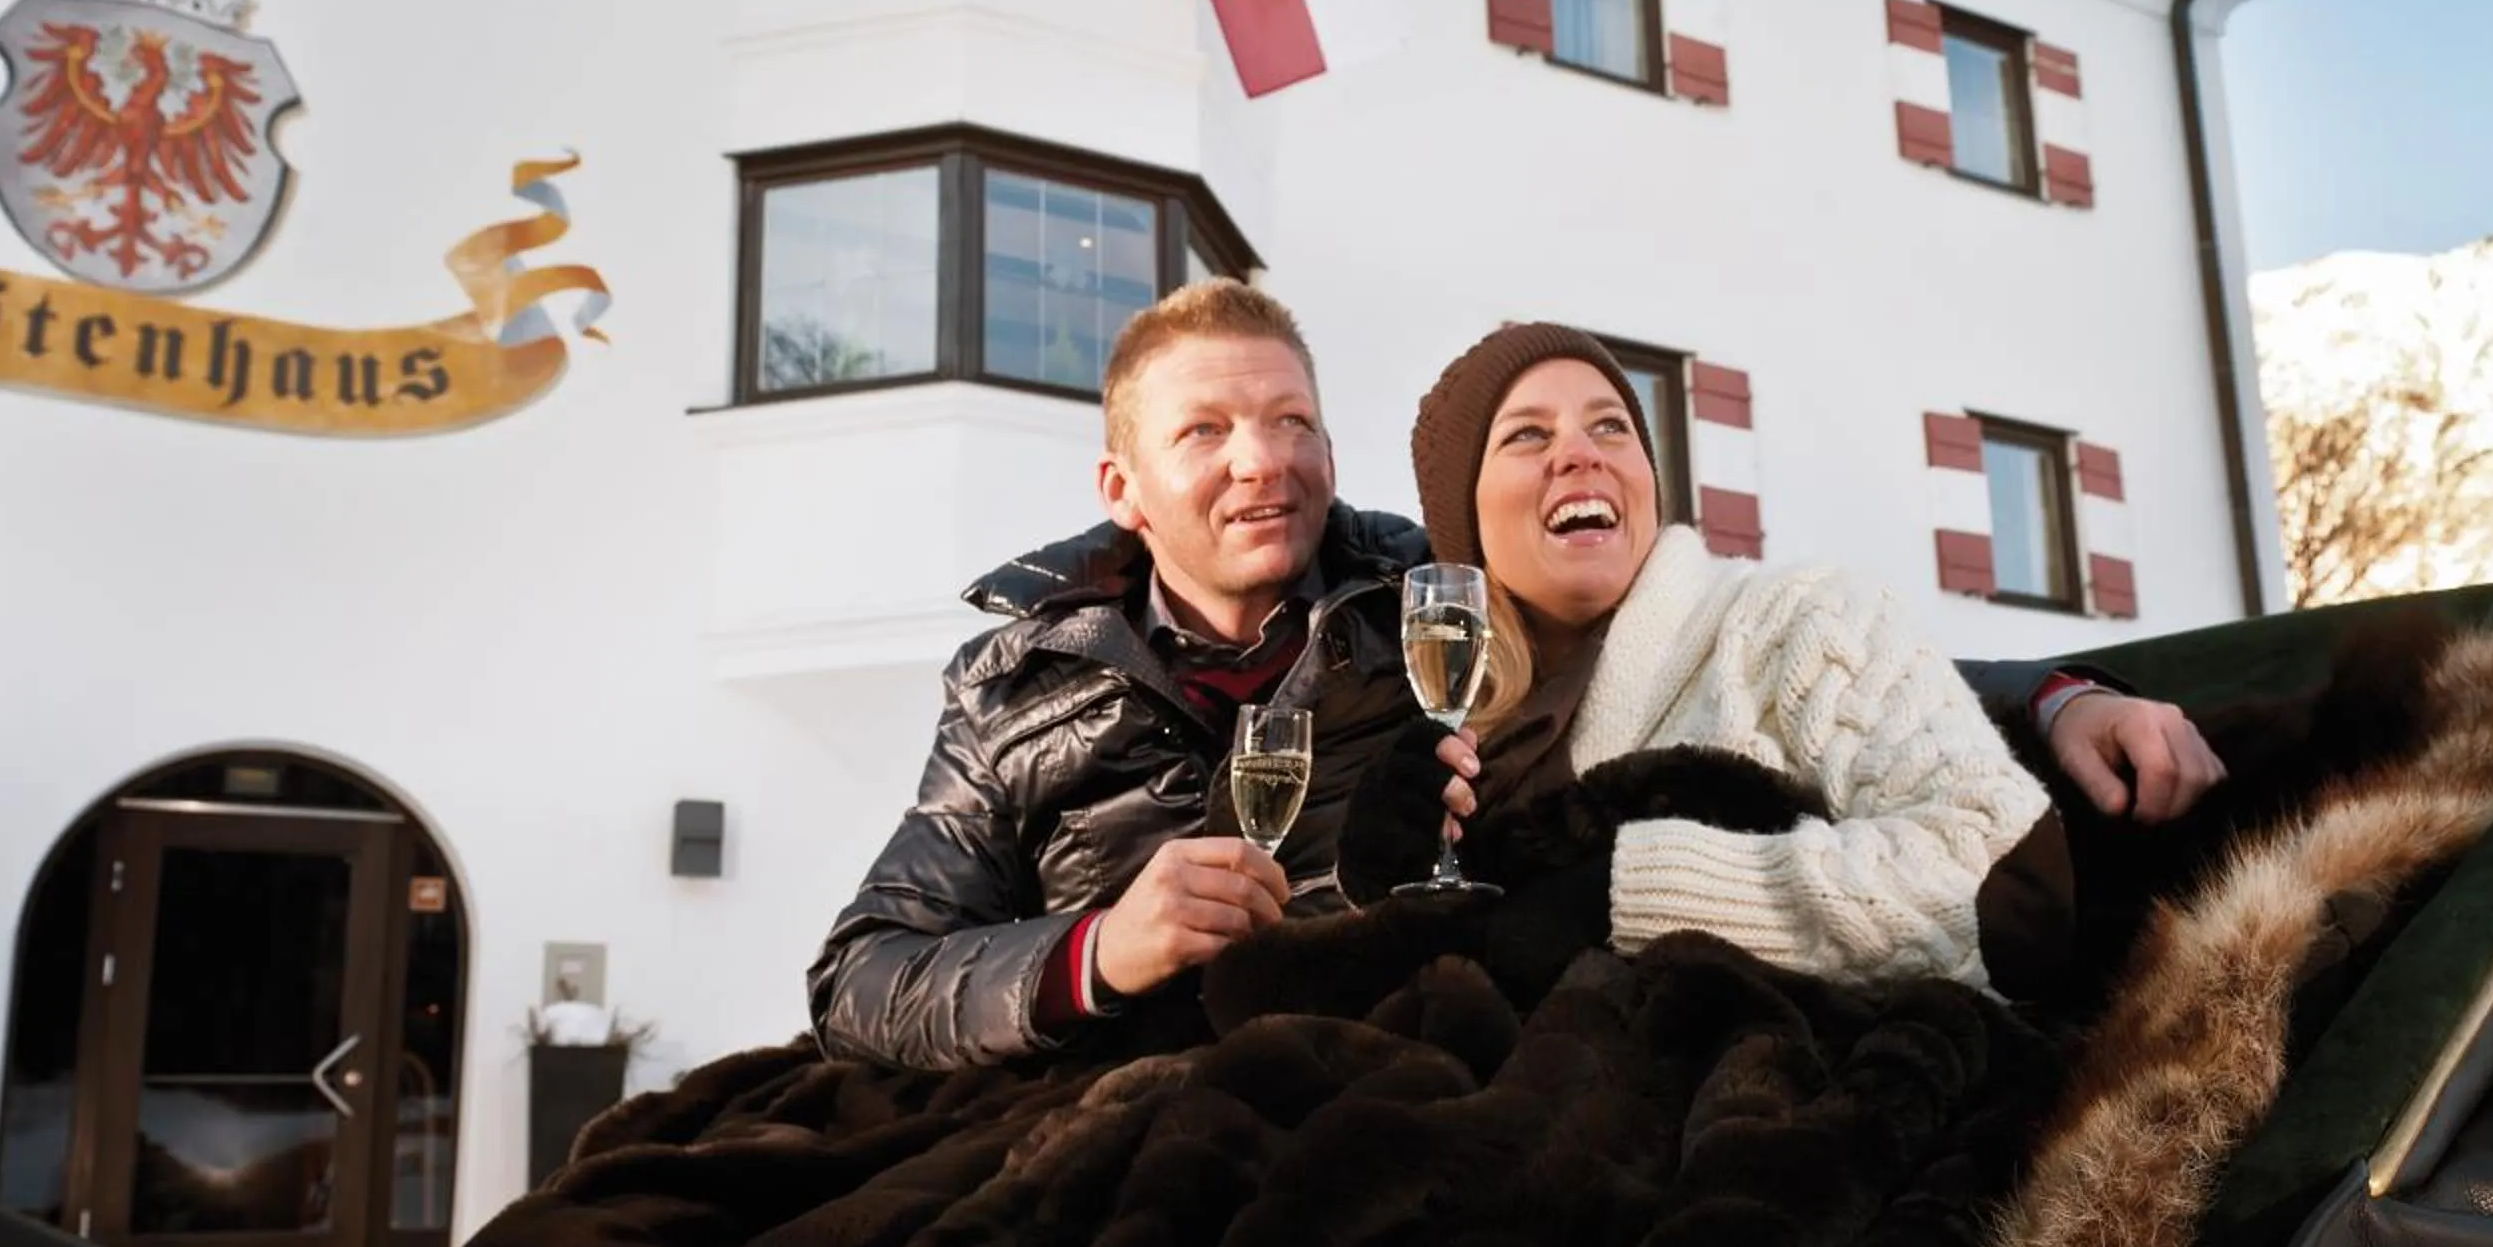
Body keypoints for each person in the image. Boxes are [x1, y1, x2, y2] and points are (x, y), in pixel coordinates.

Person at [807, 279, 2222, 1068]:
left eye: (1294, 420)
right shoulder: (1015, 679)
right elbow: (863, 972)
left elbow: (1804, 654)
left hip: (1333, 1065)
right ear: (1125, 482)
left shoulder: (1412, 596)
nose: (1265, 461)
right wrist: (1091, 952)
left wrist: (2058, 691)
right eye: (1210, 431)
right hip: (1085, 1066)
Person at [1397, 323, 2072, 989]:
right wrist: (1383, 892)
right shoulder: (1470, 749)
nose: (1581, 454)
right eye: (1528, 434)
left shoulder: (1800, 620)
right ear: (1466, 524)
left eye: (1610, 426)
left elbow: (2006, 878)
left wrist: (1629, 896)